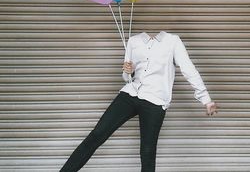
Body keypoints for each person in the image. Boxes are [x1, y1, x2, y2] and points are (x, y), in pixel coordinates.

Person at [59, 31, 218, 172]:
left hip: (155, 99)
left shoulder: (173, 41)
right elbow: (127, 78)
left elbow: (188, 69)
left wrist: (206, 100)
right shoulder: (134, 41)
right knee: (97, 135)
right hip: (131, 93)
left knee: (147, 152)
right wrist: (128, 71)